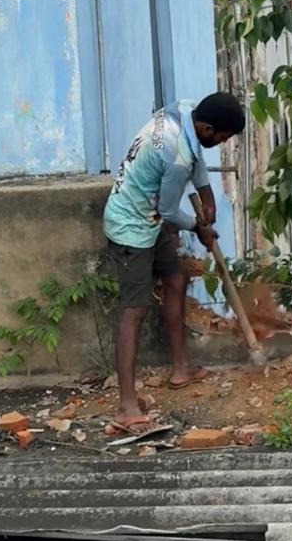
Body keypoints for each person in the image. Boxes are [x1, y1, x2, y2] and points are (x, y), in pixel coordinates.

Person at [103, 93, 245, 430]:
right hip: (130, 227)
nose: (222, 142)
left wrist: (207, 194)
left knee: (177, 279)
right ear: (208, 128)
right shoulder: (175, 156)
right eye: (222, 137)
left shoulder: (181, 112)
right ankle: (126, 405)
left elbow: (195, 157)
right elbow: (168, 211)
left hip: (149, 220)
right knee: (134, 312)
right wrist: (199, 228)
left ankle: (181, 369)